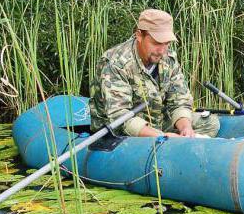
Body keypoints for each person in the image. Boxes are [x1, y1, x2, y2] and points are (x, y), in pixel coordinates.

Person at [89, 8, 220, 137]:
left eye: (166, 43)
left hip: (157, 121)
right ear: (139, 35)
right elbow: (120, 118)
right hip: (120, 131)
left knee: (210, 123)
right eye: (157, 43)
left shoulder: (168, 59)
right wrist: (161, 136)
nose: (162, 50)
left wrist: (186, 128)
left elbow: (180, 101)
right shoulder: (116, 63)